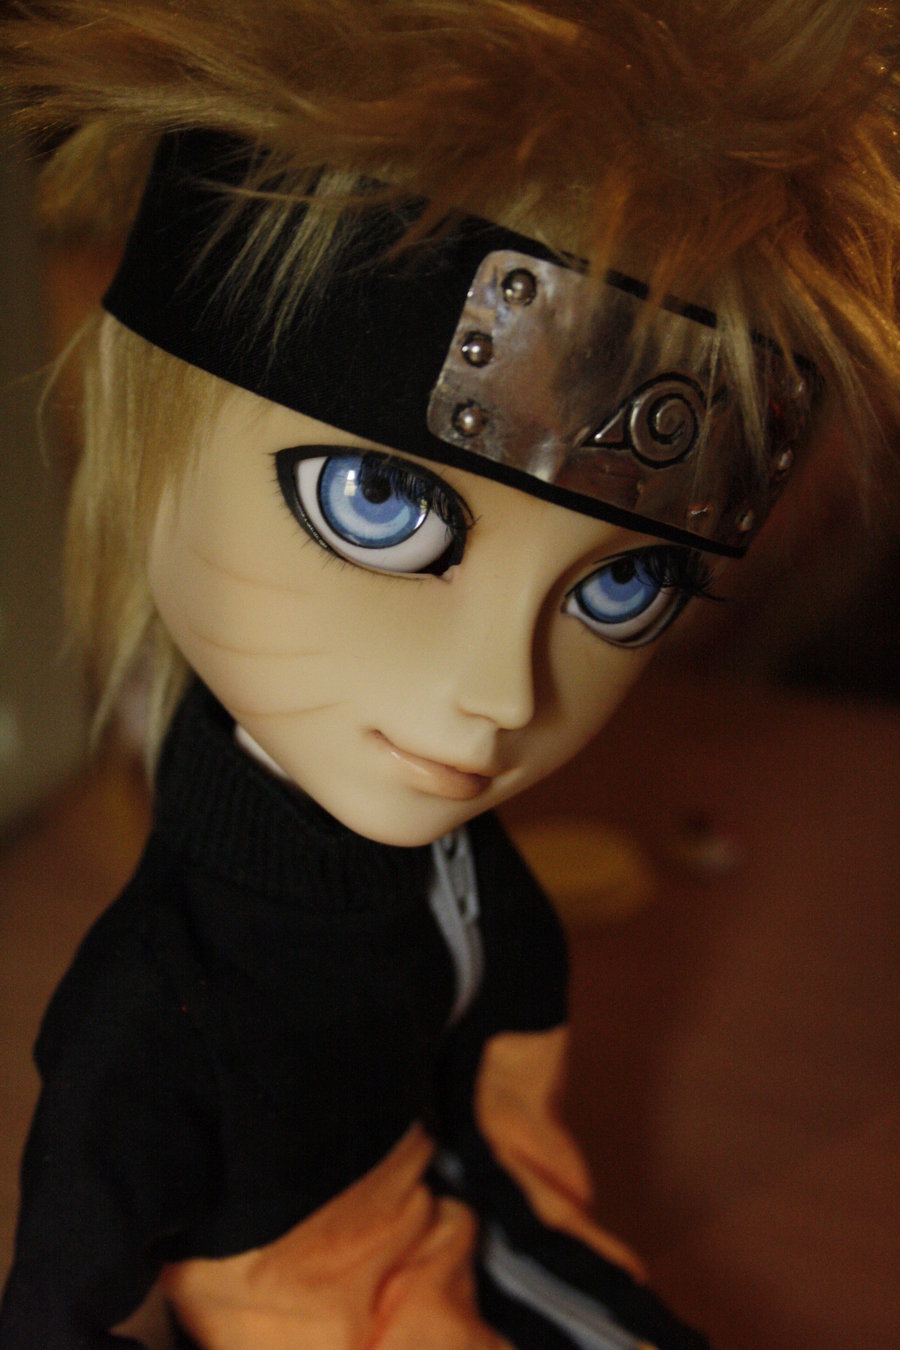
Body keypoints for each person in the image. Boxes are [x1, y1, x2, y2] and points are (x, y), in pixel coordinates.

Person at [1, 3, 898, 1347]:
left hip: (463, 1211)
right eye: (377, 503)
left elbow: (506, 1066)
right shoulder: (159, 992)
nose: (501, 695)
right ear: (149, 447)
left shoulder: (454, 874)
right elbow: (62, 1285)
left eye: (623, 586)